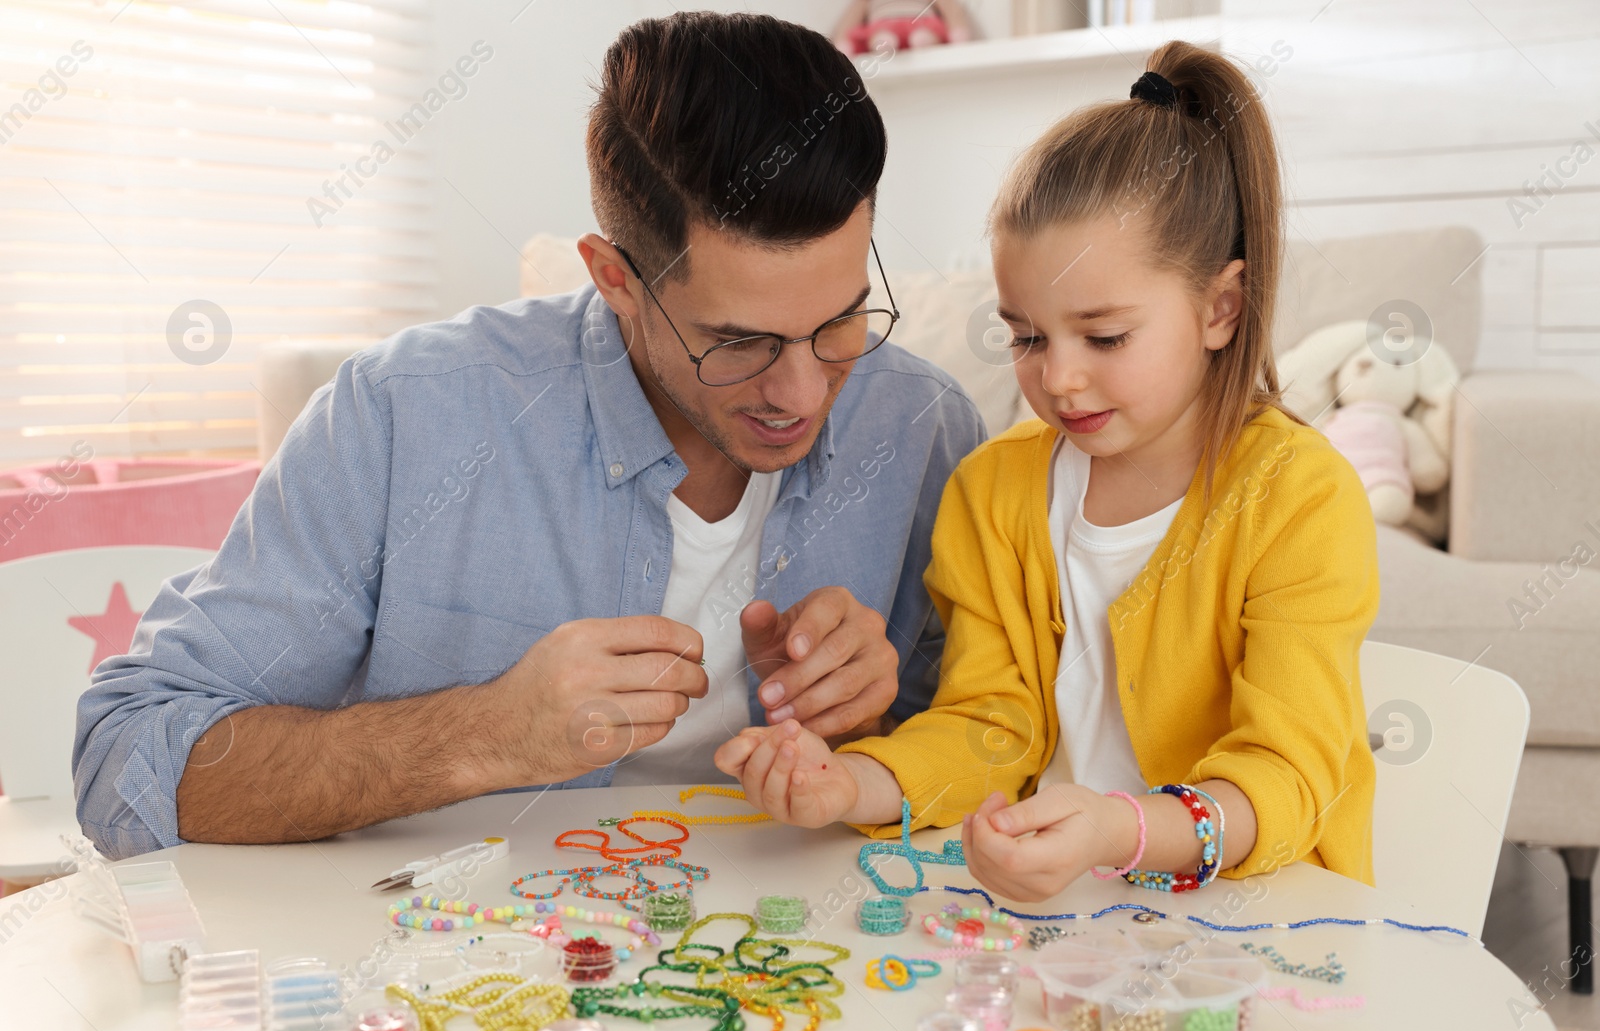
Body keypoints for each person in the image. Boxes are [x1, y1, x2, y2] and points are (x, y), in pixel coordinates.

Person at [73, 12, 985, 859]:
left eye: (840, 320)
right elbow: (126, 764)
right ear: (613, 277)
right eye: (737, 341)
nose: (799, 389)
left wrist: (878, 725)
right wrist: (485, 733)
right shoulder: (403, 415)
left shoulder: (920, 426)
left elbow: (1007, 746)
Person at [717, 41, 1381, 900]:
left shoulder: (1301, 498)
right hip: (1070, 916)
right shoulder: (995, 492)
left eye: (1105, 337)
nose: (1057, 378)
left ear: (1221, 308)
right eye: (1026, 336)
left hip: (1264, 919)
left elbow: (1287, 777)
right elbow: (987, 728)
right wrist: (853, 782)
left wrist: (1123, 827)